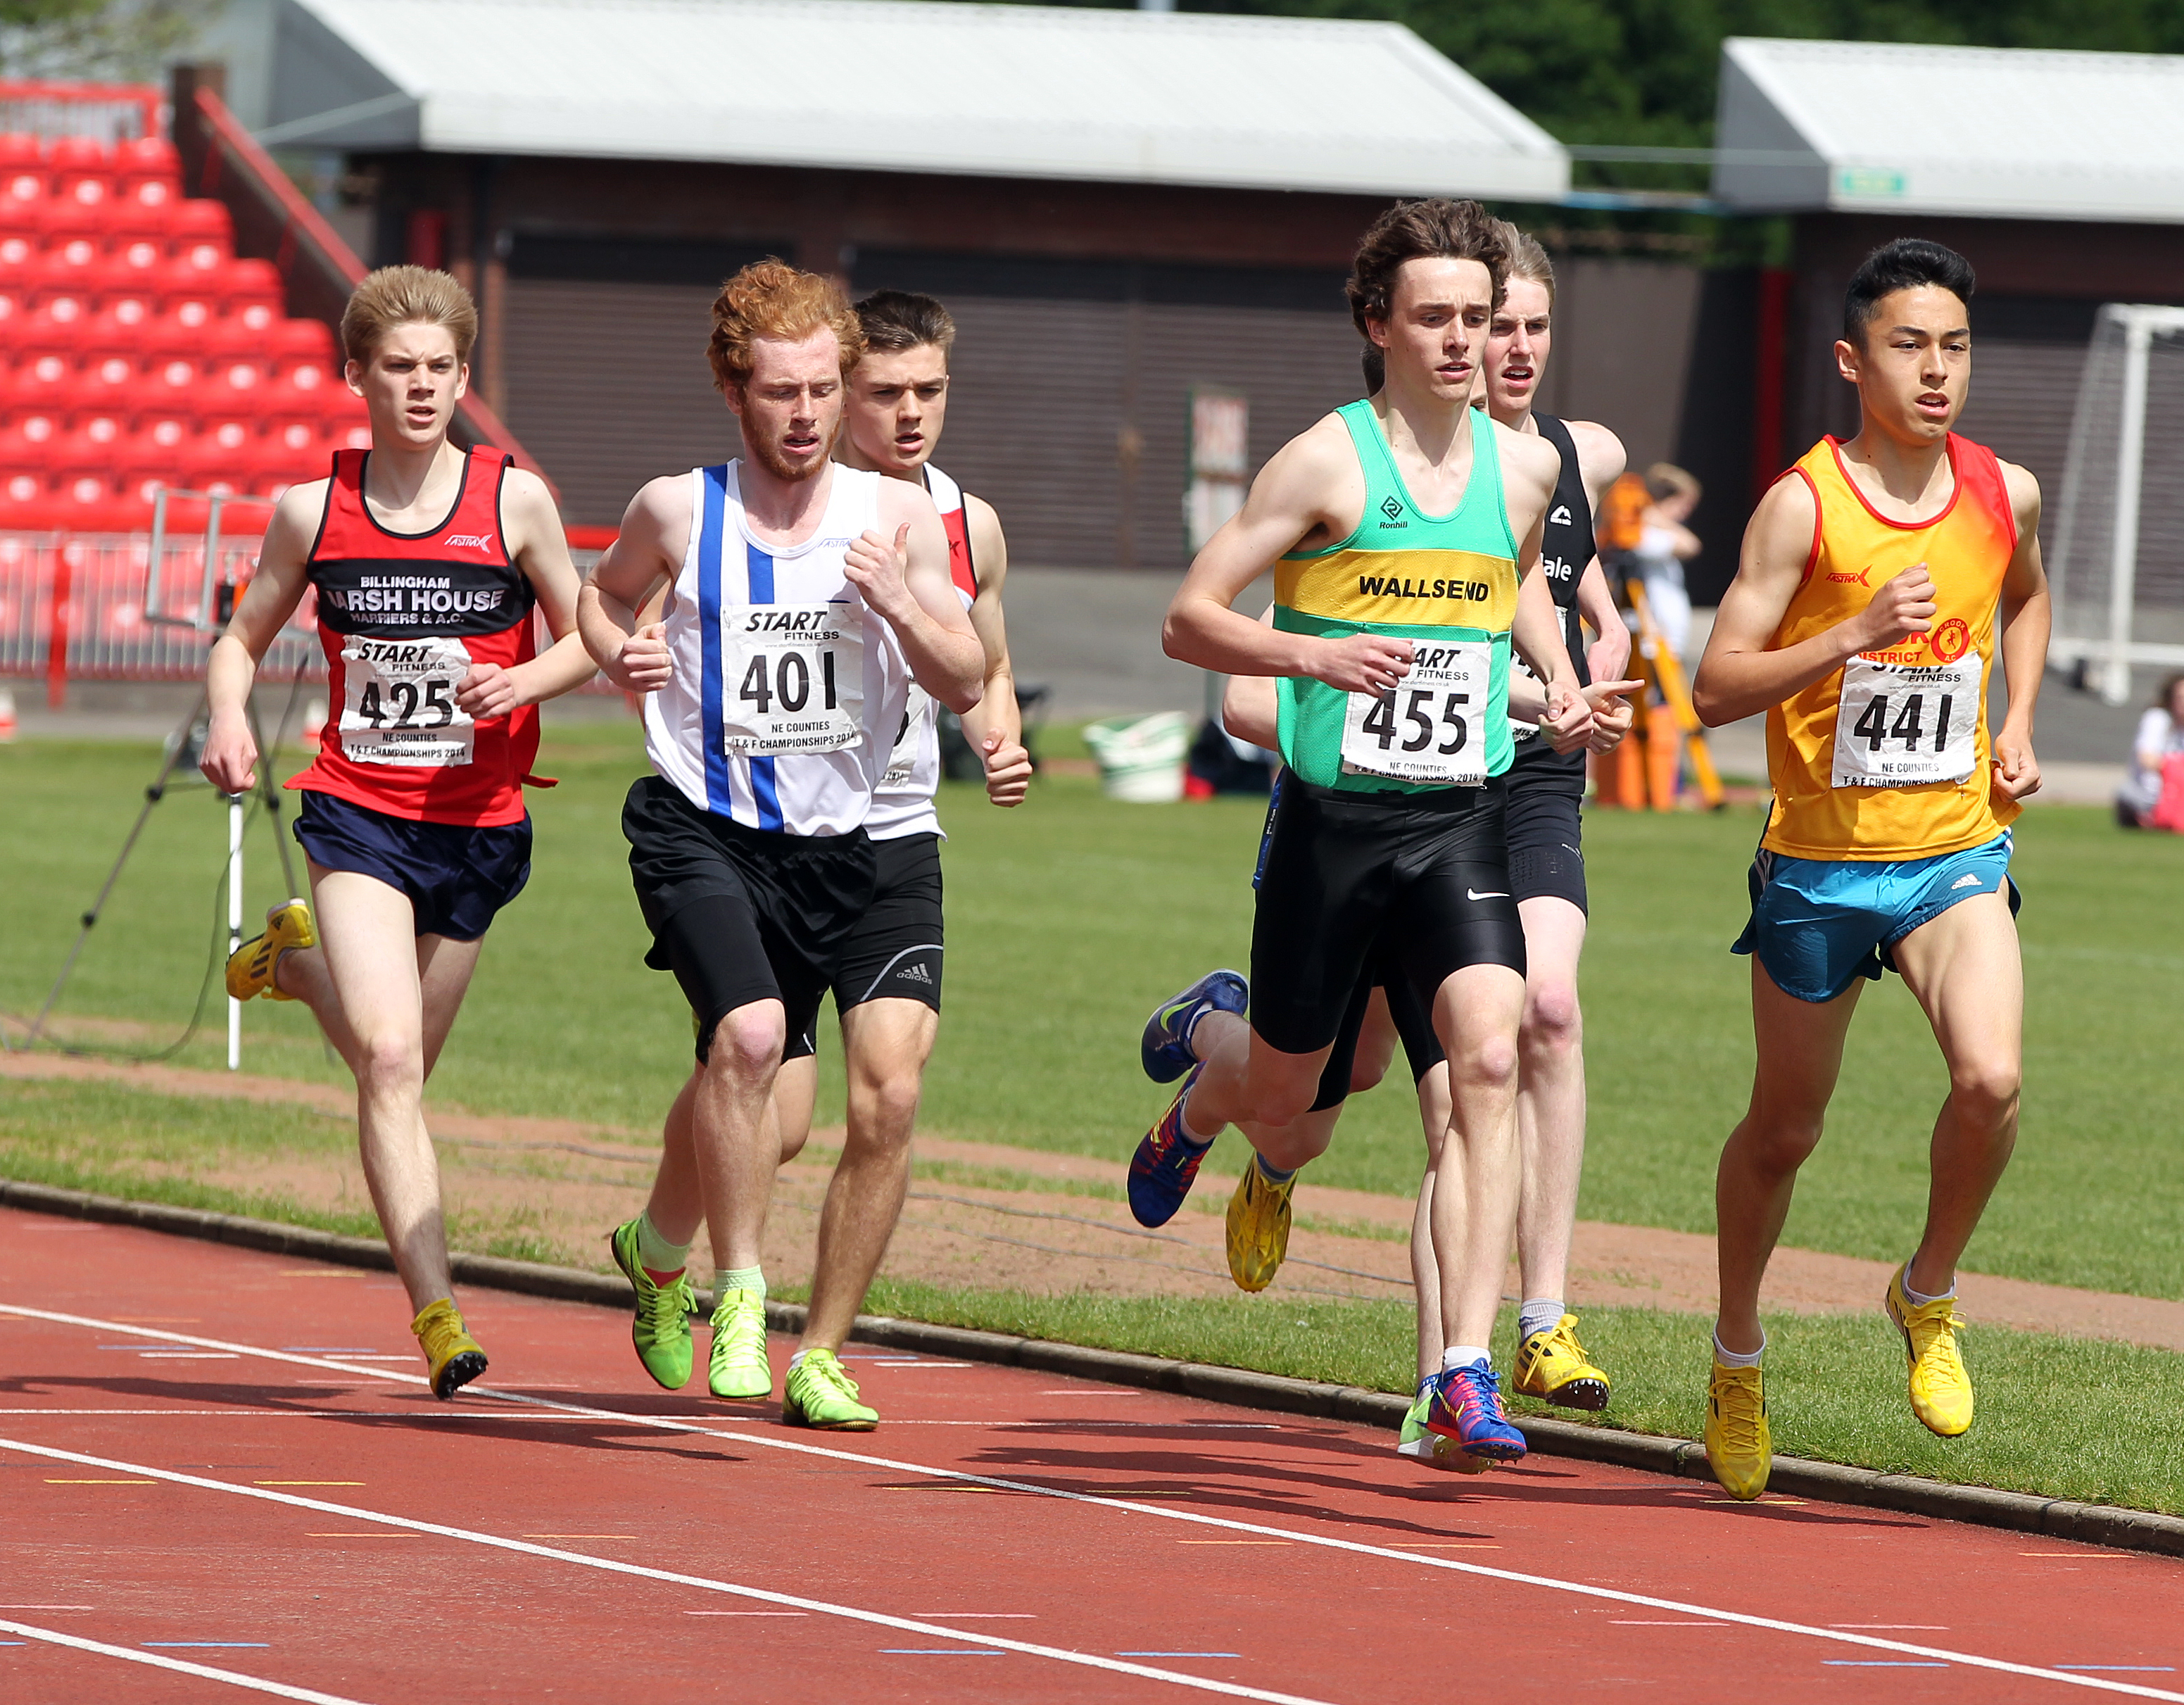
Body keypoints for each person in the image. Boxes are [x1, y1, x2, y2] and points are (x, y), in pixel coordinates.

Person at [1130, 196, 1596, 1465]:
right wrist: (1310, 654)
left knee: (1488, 1060)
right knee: (1291, 1098)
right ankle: (1202, 1062)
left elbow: (1506, 595)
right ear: (1377, 324)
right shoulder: (1323, 465)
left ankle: (1461, 1364)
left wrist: (1557, 679)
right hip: (1333, 830)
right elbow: (1187, 617)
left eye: (1477, 317)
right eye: (1435, 317)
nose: (1462, 340)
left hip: (1458, 821)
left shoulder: (1526, 469)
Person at [600, 287, 1032, 1431]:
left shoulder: (945, 522)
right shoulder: (723, 510)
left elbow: (976, 664)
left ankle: (820, 1350)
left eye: (924, 392)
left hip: (890, 839)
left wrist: (994, 725)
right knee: (769, 1109)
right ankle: (660, 1248)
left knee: (887, 1094)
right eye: (881, 392)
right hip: (765, 828)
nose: (904, 414)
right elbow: (609, 604)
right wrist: (627, 654)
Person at [1691, 237, 2049, 1502]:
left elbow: (2020, 598)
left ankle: (1927, 1289)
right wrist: (1851, 631)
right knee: (1785, 1129)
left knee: (1992, 1076)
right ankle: (1736, 1350)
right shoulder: (1802, 504)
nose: (1935, 368)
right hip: (1815, 870)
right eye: (1909, 344)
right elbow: (1710, 688)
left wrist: (2014, 720)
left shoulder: (2004, 487)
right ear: (1852, 360)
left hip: (1950, 852)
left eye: (1952, 345)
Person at [203, 265, 592, 1397]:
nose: (421, 389)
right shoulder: (312, 508)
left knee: (404, 1062)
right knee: (386, 1058)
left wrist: (520, 681)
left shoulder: (513, 501)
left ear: (463, 378)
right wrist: (230, 713)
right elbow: (241, 636)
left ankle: (293, 960)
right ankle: (438, 1312)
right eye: (399, 368)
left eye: (440, 369)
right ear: (358, 376)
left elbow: (589, 637)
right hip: (357, 813)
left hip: (477, 824)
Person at [2114, 672, 2184, 829]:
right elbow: (2146, 758)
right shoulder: (2156, 720)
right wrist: (2182, 772)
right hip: (2156, 793)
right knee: (2127, 794)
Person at [1627, 464, 1703, 663]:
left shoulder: (1659, 529)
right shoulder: (1642, 534)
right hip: (1651, 634)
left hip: (1668, 636)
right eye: (1683, 505)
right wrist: (1651, 514)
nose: (1686, 513)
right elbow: (1690, 545)